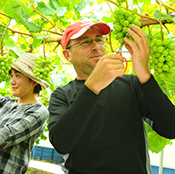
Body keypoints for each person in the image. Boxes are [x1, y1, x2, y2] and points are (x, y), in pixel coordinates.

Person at [48, 20, 175, 174]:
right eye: (85, 42)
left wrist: (145, 75)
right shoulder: (61, 95)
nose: (96, 46)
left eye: (100, 40)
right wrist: (92, 86)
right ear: (67, 55)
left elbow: (171, 128)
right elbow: (61, 144)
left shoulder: (132, 84)